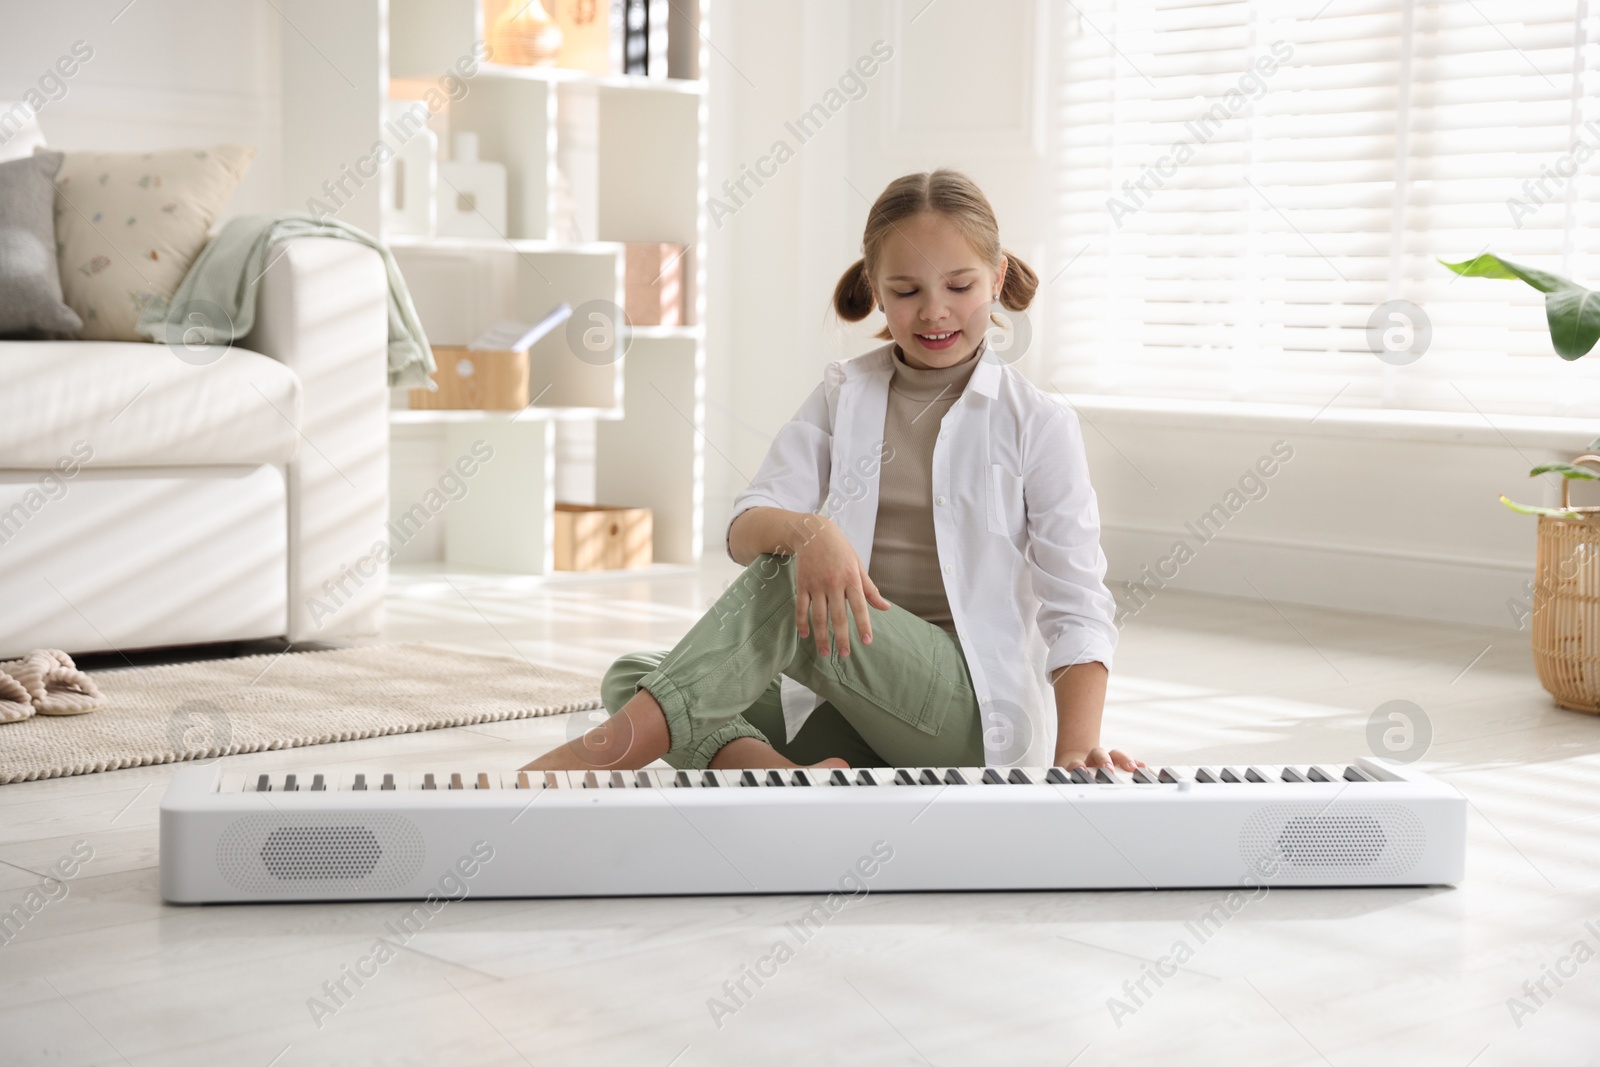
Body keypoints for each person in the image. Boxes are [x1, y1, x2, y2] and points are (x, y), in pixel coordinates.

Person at [523, 168, 1141, 775]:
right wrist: (808, 533)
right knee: (636, 674)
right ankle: (781, 774)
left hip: (970, 714)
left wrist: (1074, 749)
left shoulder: (1037, 422)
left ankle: (580, 765)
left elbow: (1078, 605)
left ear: (997, 277)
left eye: (960, 286)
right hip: (857, 691)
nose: (934, 312)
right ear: (874, 287)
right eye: (906, 291)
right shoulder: (846, 393)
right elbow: (746, 529)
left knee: (775, 598)